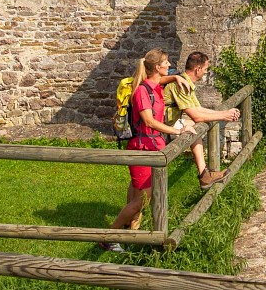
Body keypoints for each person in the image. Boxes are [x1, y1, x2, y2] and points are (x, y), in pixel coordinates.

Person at [102, 48, 194, 253]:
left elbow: (159, 81)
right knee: (142, 200)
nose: (169, 64)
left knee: (140, 196)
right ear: (157, 67)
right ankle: (108, 237)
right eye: (166, 63)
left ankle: (131, 231)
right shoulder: (143, 91)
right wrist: (177, 131)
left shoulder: (154, 85)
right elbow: (149, 121)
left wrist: (175, 78)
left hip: (153, 147)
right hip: (142, 149)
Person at [163, 51, 241, 188]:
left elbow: (198, 109)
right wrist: (224, 116)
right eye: (205, 69)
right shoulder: (181, 85)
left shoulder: (185, 81)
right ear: (197, 69)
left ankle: (204, 174)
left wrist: (223, 112)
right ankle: (204, 174)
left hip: (169, 122)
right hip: (161, 126)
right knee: (194, 124)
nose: (205, 73)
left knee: (193, 125)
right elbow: (197, 115)